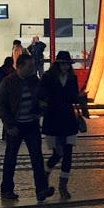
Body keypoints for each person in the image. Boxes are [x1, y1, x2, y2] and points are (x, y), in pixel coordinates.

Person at [0, 54, 55, 202]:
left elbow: (43, 97)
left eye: (33, 66)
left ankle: (41, 189)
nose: (33, 69)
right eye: (29, 66)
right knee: (11, 158)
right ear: (20, 67)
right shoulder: (8, 82)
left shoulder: (34, 80)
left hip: (31, 124)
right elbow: (0, 105)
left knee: (37, 158)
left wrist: (40, 111)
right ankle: (7, 189)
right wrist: (9, 124)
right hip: (15, 126)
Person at [39, 51, 88, 199]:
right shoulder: (48, 77)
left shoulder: (72, 78)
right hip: (53, 119)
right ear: (58, 64)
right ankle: (44, 178)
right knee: (57, 153)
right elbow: (42, 94)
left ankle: (63, 186)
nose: (66, 66)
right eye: (63, 64)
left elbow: (72, 97)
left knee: (68, 154)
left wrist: (79, 98)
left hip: (68, 119)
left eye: (68, 64)